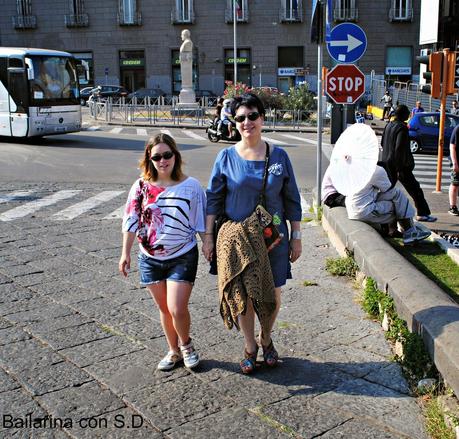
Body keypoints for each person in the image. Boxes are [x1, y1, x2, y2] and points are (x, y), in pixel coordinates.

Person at [204, 93, 302, 374]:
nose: (247, 122)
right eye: (240, 118)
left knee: (273, 294)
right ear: (234, 123)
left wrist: (297, 237)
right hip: (239, 240)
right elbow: (213, 199)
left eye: (252, 116)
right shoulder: (225, 157)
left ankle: (266, 337)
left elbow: (292, 198)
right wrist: (209, 237)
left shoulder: (279, 156)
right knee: (243, 295)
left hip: (273, 239)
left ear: (262, 118)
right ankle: (250, 345)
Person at [119, 133, 206, 371]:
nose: (162, 160)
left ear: (175, 156)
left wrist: (207, 245)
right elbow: (131, 220)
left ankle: (186, 345)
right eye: (156, 156)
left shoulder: (192, 186)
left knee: (177, 307)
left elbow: (200, 221)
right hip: (149, 257)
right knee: (165, 309)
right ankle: (173, 350)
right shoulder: (140, 186)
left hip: (183, 254)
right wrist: (125, 253)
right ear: (149, 158)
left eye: (167, 155)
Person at [345, 164, 431, 245]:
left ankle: (409, 231)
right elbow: (387, 188)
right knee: (397, 205)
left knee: (397, 194)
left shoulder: (354, 169)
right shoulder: (376, 170)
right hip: (364, 211)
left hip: (352, 208)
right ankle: (410, 232)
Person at [380, 104, 437, 222]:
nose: (409, 114)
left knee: (386, 190)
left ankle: (382, 214)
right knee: (415, 189)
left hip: (386, 163)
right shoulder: (402, 128)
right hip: (400, 166)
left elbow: (382, 143)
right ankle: (422, 213)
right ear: (403, 115)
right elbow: (399, 148)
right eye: (407, 112)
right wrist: (399, 167)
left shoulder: (388, 125)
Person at [449, 124, 459, 215]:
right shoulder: (458, 128)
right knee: (455, 184)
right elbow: (452, 146)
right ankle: (452, 207)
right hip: (457, 161)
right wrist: (455, 163)